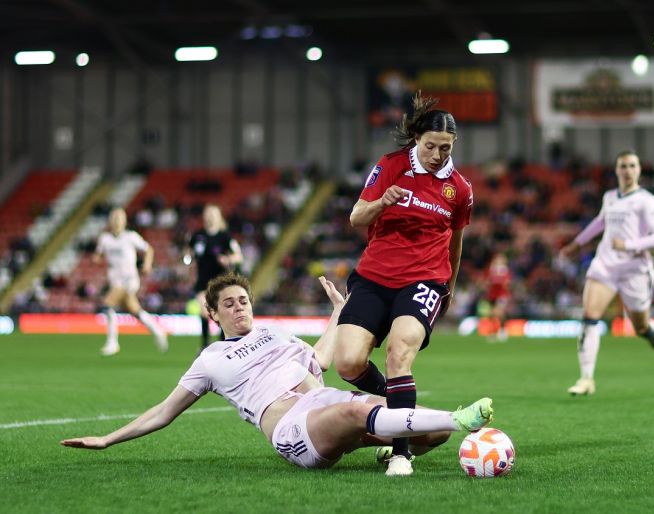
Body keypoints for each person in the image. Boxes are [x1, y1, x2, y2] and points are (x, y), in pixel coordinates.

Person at [61, 272, 494, 472]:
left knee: (427, 436)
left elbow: (321, 360)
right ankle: (460, 420)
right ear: (213, 314)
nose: (238, 308)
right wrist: (108, 438)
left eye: (243, 300)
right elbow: (164, 411)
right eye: (228, 304)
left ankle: (383, 445)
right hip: (293, 426)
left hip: (325, 400)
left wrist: (339, 313)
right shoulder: (210, 359)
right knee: (364, 414)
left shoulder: (275, 334)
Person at [333, 92, 473, 476]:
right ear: (417, 140)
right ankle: (399, 404)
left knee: (399, 354)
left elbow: (456, 244)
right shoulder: (391, 166)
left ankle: (400, 451)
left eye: (446, 148)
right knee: (347, 362)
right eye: (431, 146)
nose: (438, 155)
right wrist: (383, 202)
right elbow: (356, 216)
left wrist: (450, 287)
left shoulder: (459, 189)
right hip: (374, 276)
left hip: (425, 278)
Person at [559, 150, 654, 396]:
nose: (627, 170)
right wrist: (577, 243)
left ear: (639, 170)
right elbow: (600, 222)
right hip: (606, 264)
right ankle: (586, 378)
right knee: (590, 316)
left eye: (632, 165)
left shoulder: (647, 200)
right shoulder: (610, 197)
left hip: (635, 269)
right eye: (623, 166)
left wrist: (629, 245)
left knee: (641, 327)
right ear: (616, 170)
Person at [94, 207, 167, 356]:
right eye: (114, 218)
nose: (116, 221)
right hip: (115, 280)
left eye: (119, 218)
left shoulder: (130, 237)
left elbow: (148, 249)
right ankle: (158, 331)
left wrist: (147, 264)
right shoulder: (104, 239)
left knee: (108, 304)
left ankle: (112, 342)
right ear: (110, 221)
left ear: (125, 221)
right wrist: (97, 259)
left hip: (129, 280)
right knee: (135, 311)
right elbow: (98, 255)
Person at [185, 204, 243, 349]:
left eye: (214, 214)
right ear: (204, 216)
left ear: (219, 217)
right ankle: (205, 345)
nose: (210, 216)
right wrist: (188, 259)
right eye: (208, 213)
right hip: (203, 282)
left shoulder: (225, 237)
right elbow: (188, 253)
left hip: (221, 284)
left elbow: (238, 257)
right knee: (205, 312)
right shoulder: (197, 236)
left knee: (221, 315)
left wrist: (228, 260)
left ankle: (222, 346)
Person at [482, 252, 512, 341]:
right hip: (492, 295)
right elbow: (486, 282)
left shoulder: (505, 270)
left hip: (502, 295)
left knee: (498, 313)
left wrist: (498, 281)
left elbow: (507, 284)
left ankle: (502, 331)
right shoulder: (491, 270)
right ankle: (494, 332)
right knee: (492, 314)